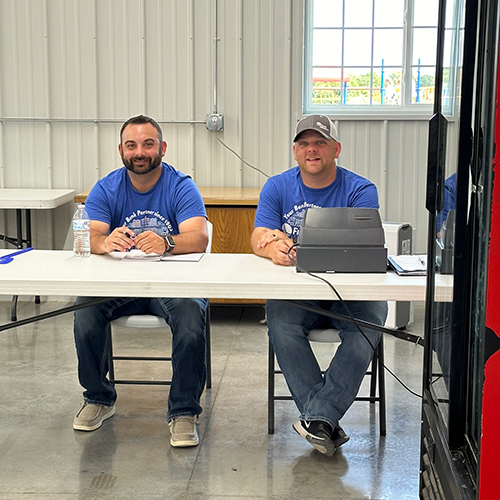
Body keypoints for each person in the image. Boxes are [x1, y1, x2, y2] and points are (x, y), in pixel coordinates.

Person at [251, 114, 388, 457]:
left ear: (336, 149)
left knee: (371, 319)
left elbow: (363, 242)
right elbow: (257, 236)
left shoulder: (360, 189)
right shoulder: (277, 187)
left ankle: (318, 417)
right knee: (280, 322)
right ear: (295, 151)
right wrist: (272, 247)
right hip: (298, 292)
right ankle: (323, 421)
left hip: (350, 291)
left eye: (320, 142)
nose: (312, 149)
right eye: (304, 143)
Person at [73, 115, 209, 449]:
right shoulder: (107, 187)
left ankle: (184, 411)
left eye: (148, 144)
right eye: (132, 145)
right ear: (121, 150)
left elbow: (200, 237)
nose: (140, 152)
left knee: (192, 318)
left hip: (172, 285)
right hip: (121, 285)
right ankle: (98, 398)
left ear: (161, 148)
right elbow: (88, 235)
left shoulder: (180, 185)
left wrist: (168, 243)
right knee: (85, 311)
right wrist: (104, 243)